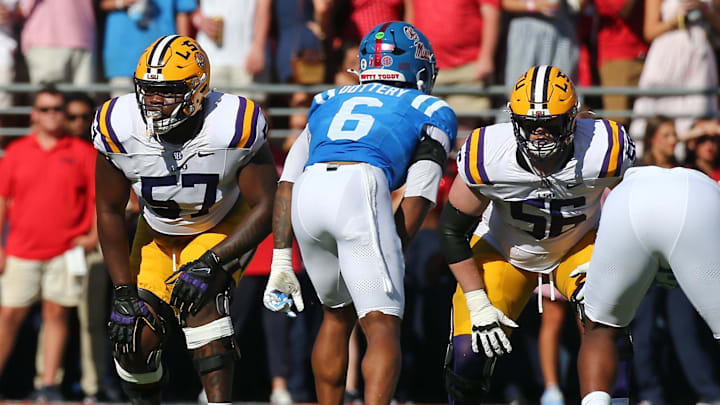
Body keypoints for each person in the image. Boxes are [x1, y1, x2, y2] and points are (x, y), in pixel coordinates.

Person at [262, 21, 458, 405]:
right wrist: (390, 251)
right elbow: (420, 192)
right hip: (357, 187)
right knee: (382, 322)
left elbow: (287, 181)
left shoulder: (328, 100)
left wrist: (281, 258)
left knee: (336, 316)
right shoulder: (431, 107)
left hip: (309, 193)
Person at [93, 35, 277, 405]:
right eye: (147, 90)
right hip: (156, 233)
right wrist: (124, 292)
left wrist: (213, 260)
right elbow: (109, 210)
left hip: (220, 225)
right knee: (133, 337)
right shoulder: (118, 124)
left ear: (197, 91)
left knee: (202, 305)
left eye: (168, 92)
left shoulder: (231, 123)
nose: (154, 102)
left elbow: (269, 206)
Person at [437, 64, 636, 404]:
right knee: (469, 351)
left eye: (550, 124)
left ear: (572, 120)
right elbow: (452, 229)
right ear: (514, 121)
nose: (539, 134)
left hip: (579, 245)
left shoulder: (605, 148)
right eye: (530, 125)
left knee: (606, 323)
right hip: (505, 250)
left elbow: (635, 210)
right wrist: (476, 299)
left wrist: (614, 258)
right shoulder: (488, 153)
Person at [574, 165, 720, 405]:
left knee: (599, 331)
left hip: (628, 201)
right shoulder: (704, 187)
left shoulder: (623, 180)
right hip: (698, 200)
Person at [0, 85, 97, 401]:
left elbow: (99, 200)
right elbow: (1, 201)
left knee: (57, 315)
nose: (53, 115)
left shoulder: (82, 152)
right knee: (9, 317)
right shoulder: (17, 152)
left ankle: (48, 385)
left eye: (58, 109)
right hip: (20, 250)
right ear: (34, 115)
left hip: (65, 250)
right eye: (45, 109)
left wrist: (92, 236)